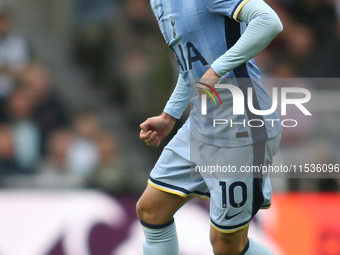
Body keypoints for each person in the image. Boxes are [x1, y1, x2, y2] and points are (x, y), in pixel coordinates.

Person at [137, 0, 283, 254]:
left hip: (242, 127)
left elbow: (269, 22)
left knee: (227, 245)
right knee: (151, 209)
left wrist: (217, 70)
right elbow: (192, 67)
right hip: (202, 123)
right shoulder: (159, 2)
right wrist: (169, 115)